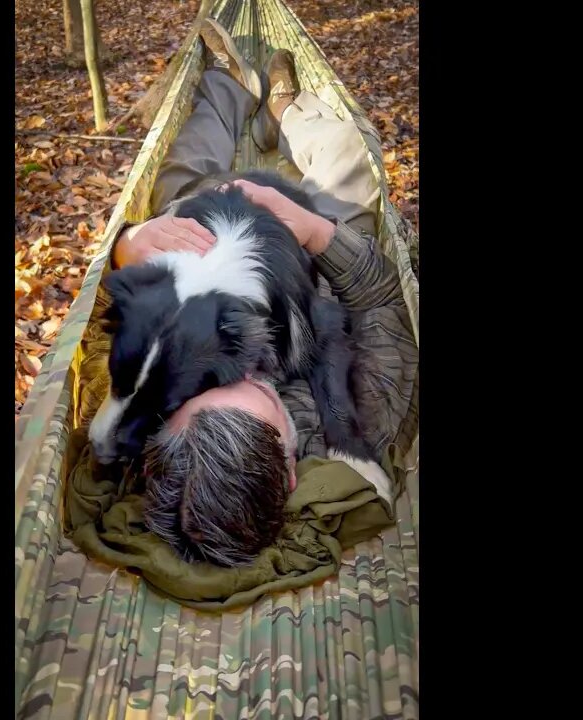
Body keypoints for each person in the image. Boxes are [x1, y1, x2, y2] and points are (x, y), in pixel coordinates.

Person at [105, 19, 418, 567]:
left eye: (198, 397)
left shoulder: (149, 428)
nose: (251, 377)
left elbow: (137, 331)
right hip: (313, 259)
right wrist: (313, 229)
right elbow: (379, 302)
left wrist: (129, 243)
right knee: (348, 159)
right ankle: (290, 110)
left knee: (180, 176)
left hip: (200, 242)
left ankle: (230, 84)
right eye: (268, 403)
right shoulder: (366, 423)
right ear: (294, 468)